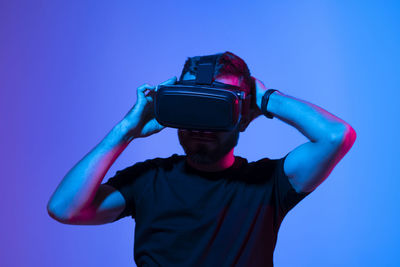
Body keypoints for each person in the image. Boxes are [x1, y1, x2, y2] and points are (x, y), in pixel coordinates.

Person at [47, 51, 357, 266]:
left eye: (216, 108)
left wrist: (263, 98)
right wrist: (126, 130)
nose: (201, 126)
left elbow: (336, 136)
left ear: (244, 117)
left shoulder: (270, 182)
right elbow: (64, 208)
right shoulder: (149, 180)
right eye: (192, 105)